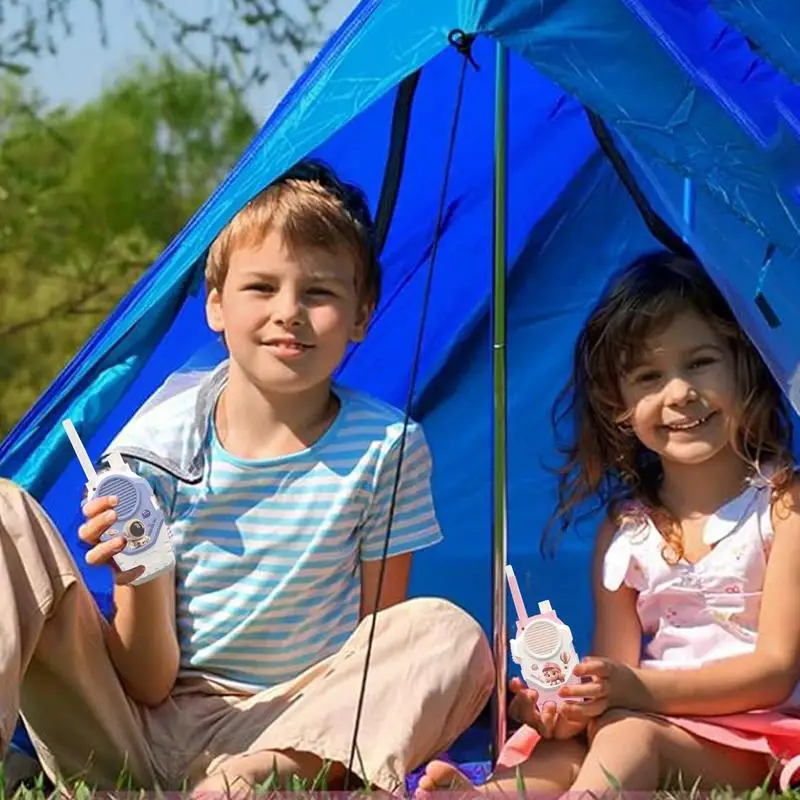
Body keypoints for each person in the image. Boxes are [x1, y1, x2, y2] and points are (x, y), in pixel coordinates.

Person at [0, 161, 494, 796]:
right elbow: (148, 681)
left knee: (448, 633)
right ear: (216, 306)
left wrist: (317, 741)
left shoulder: (388, 448)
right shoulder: (153, 451)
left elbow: (376, 646)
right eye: (261, 287)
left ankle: (262, 780)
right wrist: (144, 569)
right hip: (138, 733)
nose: (288, 313)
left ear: (362, 315)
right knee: (7, 512)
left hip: (294, 731)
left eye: (318, 293)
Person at [418, 251, 800, 796]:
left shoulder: (784, 505)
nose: (680, 393)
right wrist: (571, 703)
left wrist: (635, 692)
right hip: (649, 717)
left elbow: (776, 670)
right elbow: (615, 673)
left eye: (701, 362)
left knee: (626, 735)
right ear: (618, 406)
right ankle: (488, 796)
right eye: (649, 376)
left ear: (748, 365)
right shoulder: (626, 532)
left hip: (754, 737)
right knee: (565, 742)